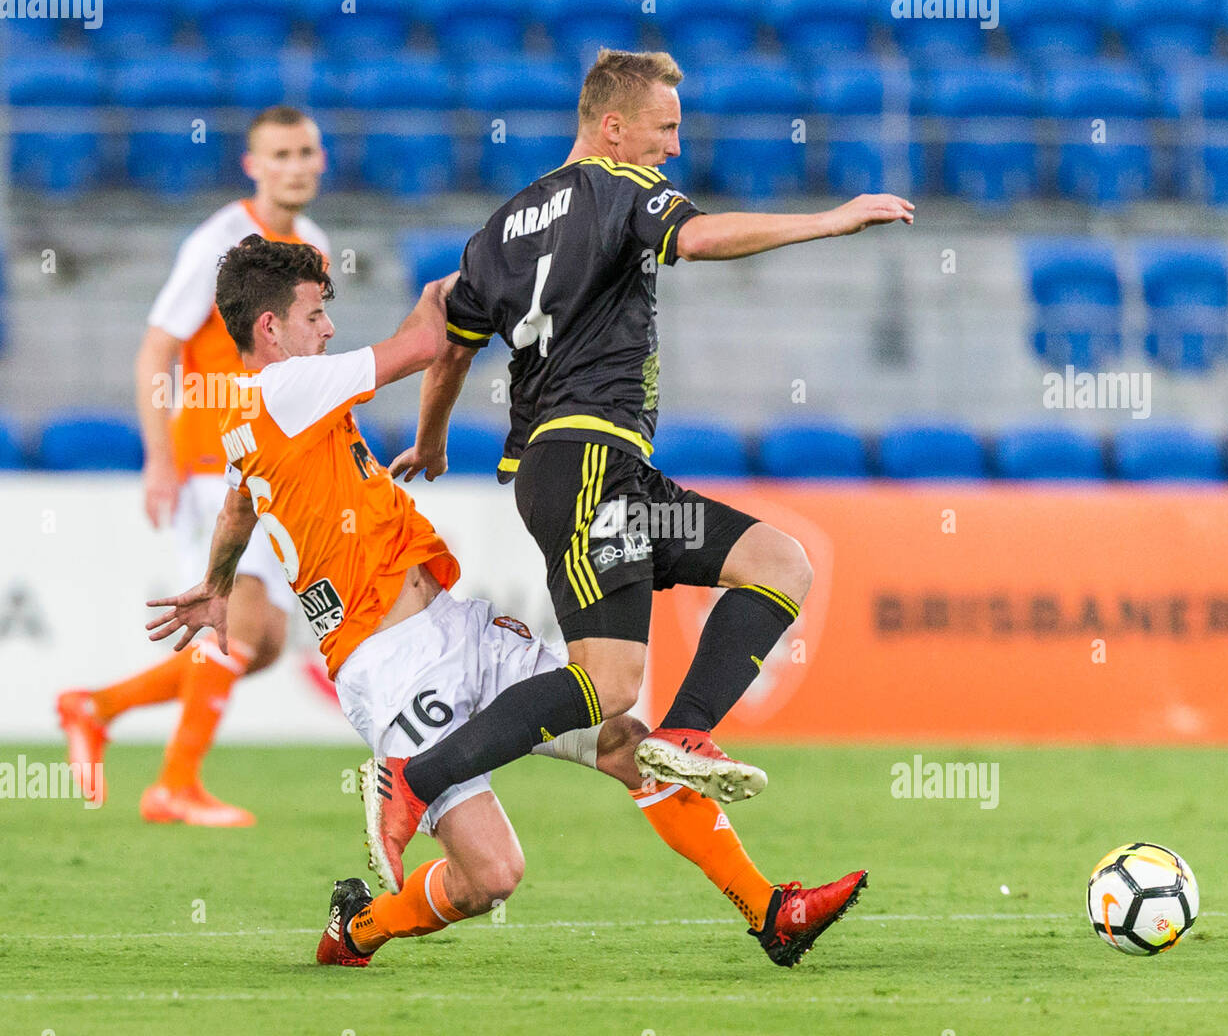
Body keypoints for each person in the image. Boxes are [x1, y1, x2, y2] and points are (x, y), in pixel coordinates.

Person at [144, 236, 867, 968]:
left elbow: (240, 505)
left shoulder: (250, 415)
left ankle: (772, 912)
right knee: (492, 875)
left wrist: (217, 583)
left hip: (457, 626)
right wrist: (510, 260)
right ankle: (358, 929)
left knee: (627, 741)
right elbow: (426, 342)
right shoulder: (288, 390)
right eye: (314, 314)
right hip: (390, 666)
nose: (327, 327)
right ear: (270, 328)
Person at [369, 49, 913, 889]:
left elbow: (447, 341)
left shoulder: (496, 231)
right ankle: (419, 777)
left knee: (777, 562)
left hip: (613, 481)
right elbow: (697, 236)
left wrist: (432, 437)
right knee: (607, 686)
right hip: (588, 468)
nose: (672, 150)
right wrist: (828, 221)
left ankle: (687, 733)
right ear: (612, 125)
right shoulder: (619, 190)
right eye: (665, 131)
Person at [56, 106, 328, 826]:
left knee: (261, 640)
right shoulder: (220, 240)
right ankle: (173, 783)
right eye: (281, 153)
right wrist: (158, 458)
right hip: (213, 462)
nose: (295, 164)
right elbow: (157, 347)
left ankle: (96, 707)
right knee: (234, 627)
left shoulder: (315, 246)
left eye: (306, 151)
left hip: (269, 464)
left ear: (321, 160)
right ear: (253, 164)